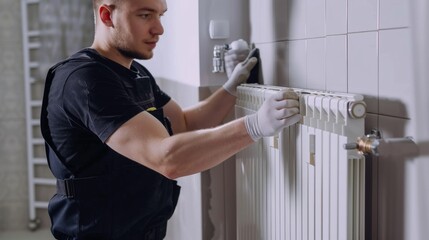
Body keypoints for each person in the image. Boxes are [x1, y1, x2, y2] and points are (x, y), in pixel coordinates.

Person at [40, 0, 302, 239]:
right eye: (145, 15)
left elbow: (184, 124)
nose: (159, 29)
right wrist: (254, 126)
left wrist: (231, 88)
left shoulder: (135, 72)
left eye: (160, 15)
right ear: (107, 15)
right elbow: (167, 159)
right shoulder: (84, 80)